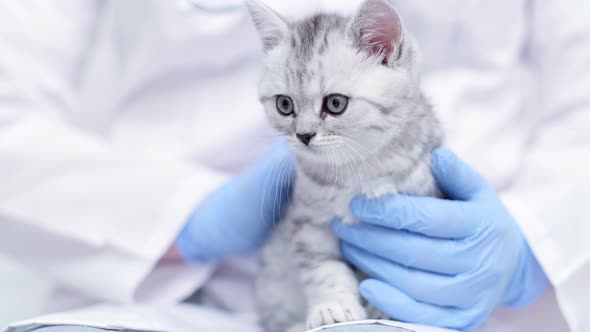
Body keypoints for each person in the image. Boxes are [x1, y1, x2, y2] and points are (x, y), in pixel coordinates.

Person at [0, 0, 588, 331]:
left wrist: (530, 247)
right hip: (183, 292)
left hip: (463, 300)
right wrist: (183, 218)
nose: (304, 129)